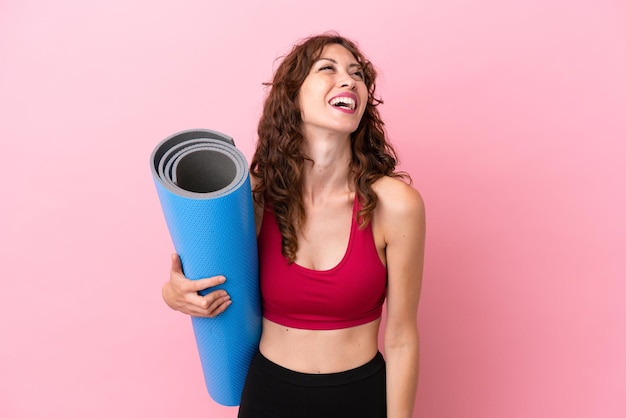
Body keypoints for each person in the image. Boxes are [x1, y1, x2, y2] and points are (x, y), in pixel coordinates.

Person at [162, 33, 425, 418]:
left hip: (359, 398)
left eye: (357, 74)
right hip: (269, 396)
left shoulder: (395, 204)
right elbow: (192, 281)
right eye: (328, 69)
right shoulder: (252, 197)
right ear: (293, 96)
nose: (350, 81)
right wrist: (175, 294)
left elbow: (402, 337)